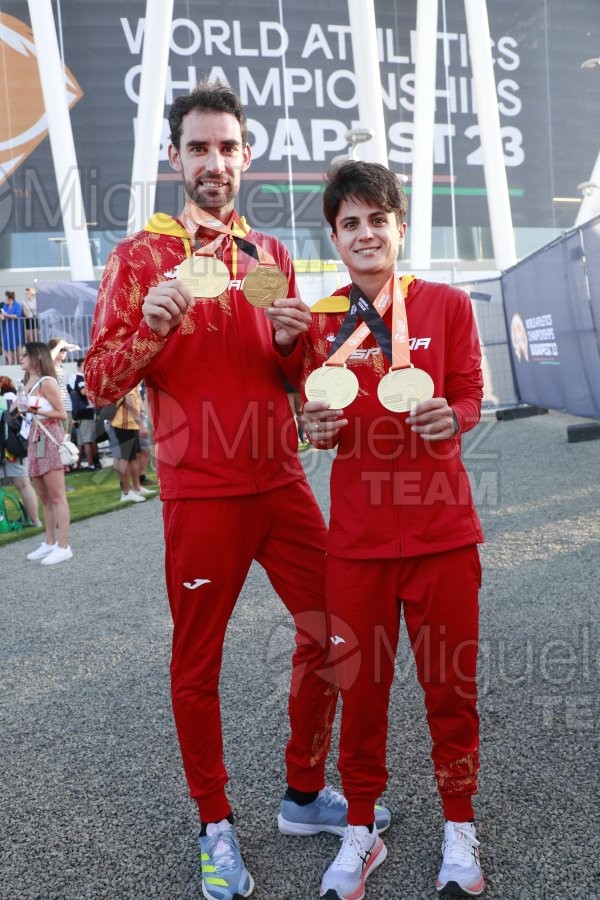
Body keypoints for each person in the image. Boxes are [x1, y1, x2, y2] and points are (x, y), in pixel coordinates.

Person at [85, 81, 389, 900]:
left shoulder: (272, 258)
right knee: (198, 663)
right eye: (199, 148)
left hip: (281, 484)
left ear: (245, 156)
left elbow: (303, 382)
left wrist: (299, 349)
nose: (214, 162)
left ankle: (301, 792)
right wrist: (147, 328)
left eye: (227, 148)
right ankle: (214, 824)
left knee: (339, 630)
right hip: (201, 495)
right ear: (176, 158)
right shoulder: (139, 258)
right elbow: (98, 380)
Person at [291, 161, 485, 899]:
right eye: (351, 223)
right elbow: (324, 428)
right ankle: (360, 826)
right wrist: (314, 427)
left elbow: (468, 394)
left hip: (442, 535)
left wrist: (456, 416)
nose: (366, 233)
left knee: (450, 688)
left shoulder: (447, 305)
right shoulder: (320, 320)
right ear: (335, 238)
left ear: (400, 228)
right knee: (362, 692)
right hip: (360, 547)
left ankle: (459, 824)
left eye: (379, 219)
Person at [20, 342, 73, 564]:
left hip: (48, 436)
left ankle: (63, 545)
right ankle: (50, 542)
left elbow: (62, 413)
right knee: (44, 495)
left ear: (36, 357)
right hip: (35, 437)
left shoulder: (47, 382)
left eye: (25, 354)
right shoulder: (30, 382)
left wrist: (35, 409)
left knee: (57, 495)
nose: (21, 358)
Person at [0, 375, 42, 527]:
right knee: (23, 484)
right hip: (13, 446)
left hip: (7, 446)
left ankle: (3, 524)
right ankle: (35, 521)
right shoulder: (8, 399)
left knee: (23, 484)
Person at [0, 290, 25, 364]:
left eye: (6, 298)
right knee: (8, 348)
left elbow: (17, 315)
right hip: (6, 330)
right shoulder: (5, 306)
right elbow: (2, 314)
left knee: (17, 347)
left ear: (10, 299)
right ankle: (11, 364)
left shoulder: (17, 305)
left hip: (15, 329)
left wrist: (6, 315)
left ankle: (18, 363)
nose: (5, 300)